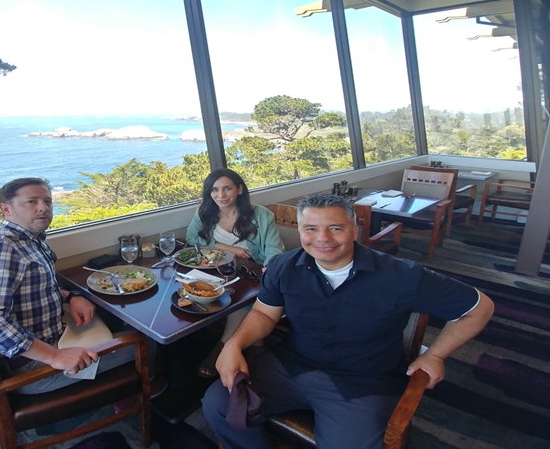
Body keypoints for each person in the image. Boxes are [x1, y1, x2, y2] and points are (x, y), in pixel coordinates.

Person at [202, 194, 494, 449]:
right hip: (292, 366)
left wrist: (436, 355)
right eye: (311, 229)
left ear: (354, 230)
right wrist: (234, 345)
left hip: (364, 381)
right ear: (301, 231)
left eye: (335, 228)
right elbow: (265, 313)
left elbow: (480, 308)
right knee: (218, 403)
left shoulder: (401, 276)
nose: (322, 238)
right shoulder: (283, 266)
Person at [0, 177, 133, 394]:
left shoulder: (31, 240)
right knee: (144, 341)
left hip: (55, 333)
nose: (43, 208)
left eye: (48, 201)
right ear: (6, 209)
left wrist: (70, 297)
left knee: (113, 317)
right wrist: (54, 356)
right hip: (31, 366)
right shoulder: (0, 249)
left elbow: (36, 289)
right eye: (31, 202)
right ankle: (136, 395)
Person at [186, 168, 285, 378]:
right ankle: (257, 344)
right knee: (193, 296)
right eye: (214, 190)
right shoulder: (204, 212)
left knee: (239, 301)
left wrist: (269, 268)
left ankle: (223, 348)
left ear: (239, 189)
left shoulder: (261, 215)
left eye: (227, 188)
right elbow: (192, 239)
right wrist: (229, 248)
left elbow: (275, 250)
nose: (220, 195)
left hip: (251, 275)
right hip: (216, 273)